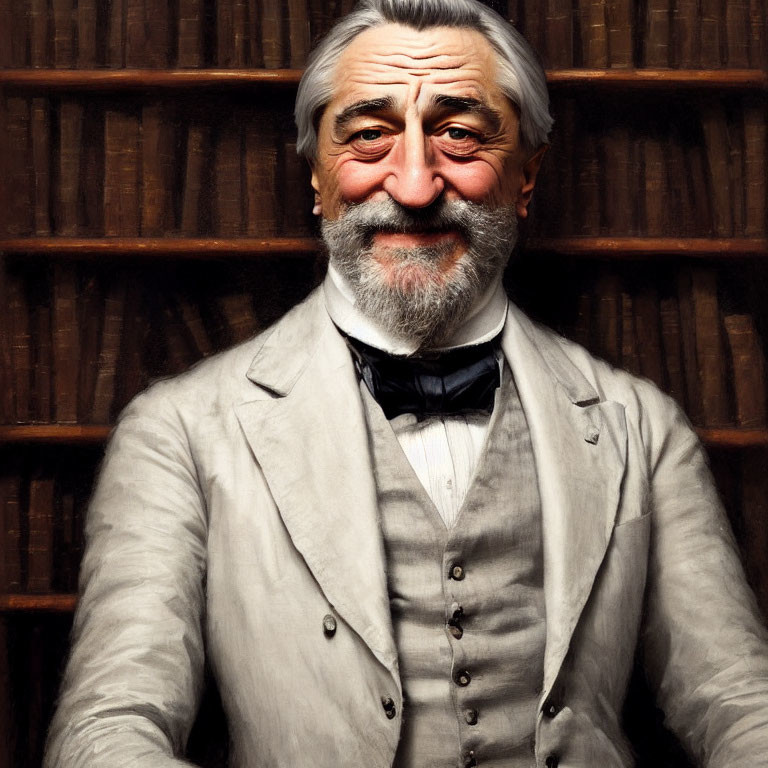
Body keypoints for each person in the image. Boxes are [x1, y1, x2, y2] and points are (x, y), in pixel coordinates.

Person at [45, 1, 768, 766]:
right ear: (317, 178)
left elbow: (739, 703)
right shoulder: (180, 431)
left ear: (526, 177)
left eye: (459, 134)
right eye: (368, 136)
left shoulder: (641, 428)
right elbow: (108, 731)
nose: (417, 185)